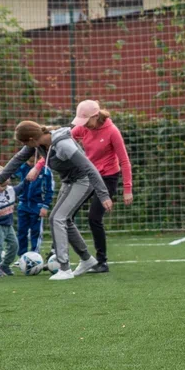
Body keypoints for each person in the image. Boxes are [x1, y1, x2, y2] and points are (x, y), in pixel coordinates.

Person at [0, 121, 110, 281]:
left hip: (83, 181)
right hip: (69, 182)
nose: (24, 147)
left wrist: (103, 195)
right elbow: (18, 159)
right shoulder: (38, 144)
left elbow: (89, 168)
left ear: (31, 139)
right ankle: (87, 259)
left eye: (24, 143)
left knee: (57, 218)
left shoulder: (63, 145)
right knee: (64, 219)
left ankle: (65, 268)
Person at [57, 99, 133, 273]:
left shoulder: (112, 131)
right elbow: (60, 141)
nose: (83, 126)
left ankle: (101, 261)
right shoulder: (83, 127)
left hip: (107, 178)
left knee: (94, 217)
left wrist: (127, 189)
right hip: (87, 177)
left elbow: (124, 161)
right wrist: (39, 165)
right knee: (65, 215)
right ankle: (70, 256)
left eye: (86, 121)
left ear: (96, 116)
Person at [15, 154, 52, 257]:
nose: (30, 164)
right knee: (21, 231)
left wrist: (45, 206)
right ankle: (22, 256)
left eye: (33, 163)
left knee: (36, 232)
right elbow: (13, 173)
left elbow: (49, 190)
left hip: (37, 206)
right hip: (23, 205)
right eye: (29, 162)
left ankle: (35, 254)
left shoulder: (46, 171)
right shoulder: (23, 167)